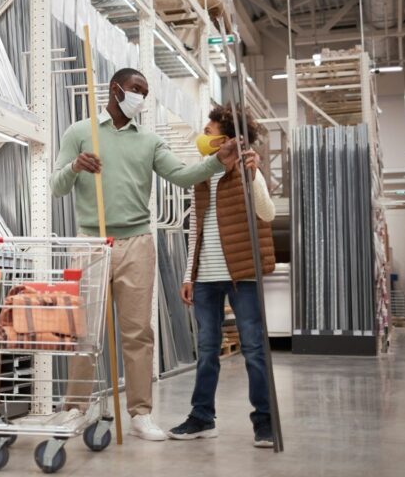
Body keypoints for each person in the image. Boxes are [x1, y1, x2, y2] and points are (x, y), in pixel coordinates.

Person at [51, 68, 254, 442]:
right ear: (115, 89)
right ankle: (74, 408)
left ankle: (141, 413)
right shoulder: (80, 132)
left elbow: (180, 175)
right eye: (136, 89)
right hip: (91, 243)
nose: (141, 97)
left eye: (144, 92)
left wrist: (217, 161)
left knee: (138, 333)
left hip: (137, 242)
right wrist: (75, 165)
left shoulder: (149, 140)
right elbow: (56, 186)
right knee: (83, 331)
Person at [166, 106, 277, 448]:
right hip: (205, 277)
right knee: (207, 349)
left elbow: (267, 213)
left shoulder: (248, 168)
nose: (203, 131)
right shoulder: (203, 172)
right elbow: (196, 227)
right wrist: (189, 274)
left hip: (240, 274)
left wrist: (254, 175)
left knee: (255, 348)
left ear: (225, 137)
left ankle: (265, 422)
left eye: (209, 128)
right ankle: (202, 417)